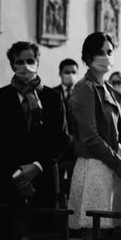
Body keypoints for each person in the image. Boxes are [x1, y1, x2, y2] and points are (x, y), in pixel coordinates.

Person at [0, 41, 67, 240]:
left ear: (38, 62)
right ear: (11, 64)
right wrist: (20, 175)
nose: (25, 66)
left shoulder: (52, 97)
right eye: (19, 61)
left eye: (30, 60)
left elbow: (60, 139)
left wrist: (37, 166)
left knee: (42, 239)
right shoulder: (0, 97)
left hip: (43, 177)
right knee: (8, 239)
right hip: (10, 177)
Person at [68, 32, 121, 240]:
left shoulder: (109, 89)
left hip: (111, 164)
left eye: (109, 52)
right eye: (100, 52)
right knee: (92, 231)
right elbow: (89, 136)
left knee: (106, 231)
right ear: (88, 56)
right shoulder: (84, 88)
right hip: (95, 165)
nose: (106, 57)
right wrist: (118, 163)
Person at [53, 58, 79, 206]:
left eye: (73, 72)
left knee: (74, 186)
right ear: (60, 73)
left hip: (77, 147)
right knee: (59, 188)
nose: (70, 75)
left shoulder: (82, 94)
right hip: (60, 148)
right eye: (67, 72)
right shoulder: (53, 93)